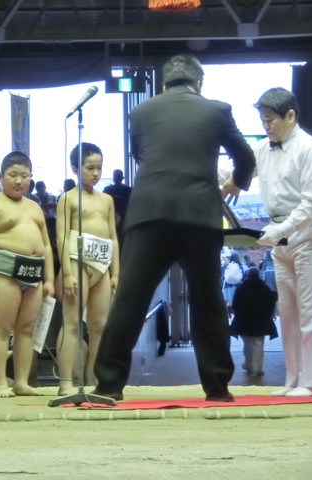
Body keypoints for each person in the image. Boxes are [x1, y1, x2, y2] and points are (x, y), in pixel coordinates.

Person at [93, 54, 256, 402]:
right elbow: (245, 158)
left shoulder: (140, 112)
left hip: (149, 213)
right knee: (208, 302)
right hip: (199, 216)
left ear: (164, 84)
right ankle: (217, 388)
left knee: (130, 300)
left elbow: (140, 155)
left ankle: (108, 385)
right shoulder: (217, 110)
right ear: (199, 83)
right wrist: (236, 182)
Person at [246, 87, 312, 397]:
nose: (266, 126)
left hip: (308, 235)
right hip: (278, 235)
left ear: (290, 115)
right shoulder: (262, 148)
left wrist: (281, 229)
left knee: (310, 312)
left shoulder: (309, 148)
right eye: (263, 120)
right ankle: (292, 378)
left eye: (270, 120)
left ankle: (310, 381)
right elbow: (237, 173)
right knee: (286, 313)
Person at [0, 151, 55, 397]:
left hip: (34, 272)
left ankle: (21, 382)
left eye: (24, 176)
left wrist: (49, 279)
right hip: (4, 272)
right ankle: (0, 382)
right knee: (2, 328)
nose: (18, 181)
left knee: (26, 328)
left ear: (31, 177)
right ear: (1, 176)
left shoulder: (35, 207)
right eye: (12, 175)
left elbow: (46, 245)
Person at [55, 142, 119, 395]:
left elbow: (113, 237)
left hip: (102, 264)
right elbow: (61, 237)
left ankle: (94, 381)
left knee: (99, 326)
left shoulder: (107, 200)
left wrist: (116, 272)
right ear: (75, 168)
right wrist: (67, 273)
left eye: (99, 168)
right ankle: (65, 382)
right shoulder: (68, 198)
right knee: (71, 323)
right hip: (76, 263)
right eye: (90, 168)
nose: (96, 173)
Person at [230, 267, 278, 376]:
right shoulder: (265, 288)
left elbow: (235, 305)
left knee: (247, 344)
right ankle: (257, 369)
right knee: (259, 344)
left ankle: (248, 365)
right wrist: (267, 316)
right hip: (261, 321)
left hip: (244, 321)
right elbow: (270, 305)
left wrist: (238, 316)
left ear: (247, 276)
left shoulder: (241, 288)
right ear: (259, 275)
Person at [103, 169, 132, 244]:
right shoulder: (128, 190)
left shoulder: (108, 189)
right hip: (123, 218)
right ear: (122, 178)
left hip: (117, 218)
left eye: (116, 177)